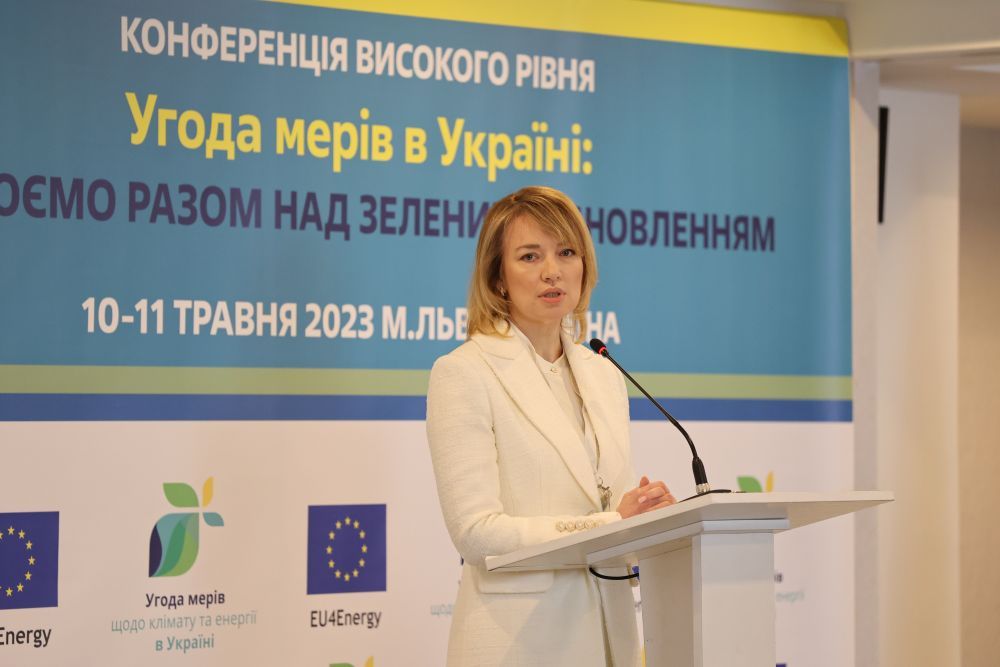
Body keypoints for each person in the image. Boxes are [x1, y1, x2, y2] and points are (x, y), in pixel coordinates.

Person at [426, 186, 677, 666]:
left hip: (612, 640)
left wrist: (648, 521)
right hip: (520, 644)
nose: (552, 271)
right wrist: (613, 524)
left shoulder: (604, 373)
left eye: (566, 252)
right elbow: (476, 534)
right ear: (498, 278)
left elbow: (612, 508)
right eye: (529, 256)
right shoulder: (464, 372)